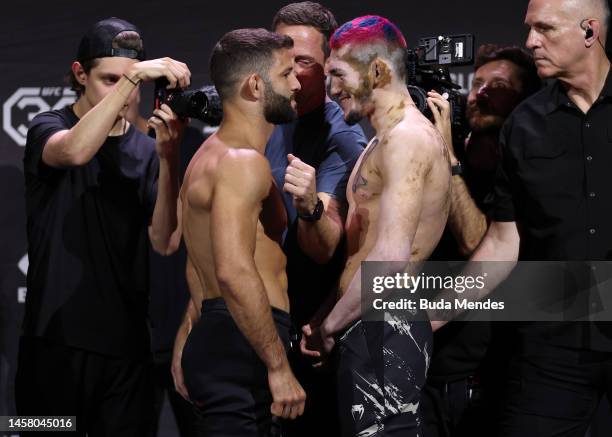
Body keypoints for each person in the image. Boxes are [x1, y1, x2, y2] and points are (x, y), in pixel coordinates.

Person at [16, 17, 190, 436]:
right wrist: (134, 79)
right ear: (80, 74)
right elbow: (74, 153)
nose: (125, 93)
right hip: (52, 343)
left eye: (130, 81)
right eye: (110, 79)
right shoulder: (48, 126)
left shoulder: (148, 151)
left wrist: (168, 160)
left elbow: (166, 241)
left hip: (127, 351)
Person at [447, 0, 612, 435]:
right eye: (529, 28)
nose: (530, 41)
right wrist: (431, 312)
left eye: (545, 29)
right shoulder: (523, 125)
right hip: (552, 346)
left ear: (590, 32)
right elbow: (504, 242)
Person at [302, 15, 452, 436]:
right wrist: (327, 315)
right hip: (370, 325)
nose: (331, 89)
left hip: (388, 329)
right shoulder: (381, 139)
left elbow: (390, 258)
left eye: (337, 74)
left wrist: (330, 328)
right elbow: (364, 249)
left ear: (379, 71)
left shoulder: (407, 138)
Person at [177, 28, 306, 436]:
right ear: (255, 85)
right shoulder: (241, 163)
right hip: (243, 344)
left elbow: (199, 267)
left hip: (222, 336)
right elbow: (232, 269)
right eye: (287, 74)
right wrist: (278, 367)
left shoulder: (207, 157)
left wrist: (190, 335)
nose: (297, 84)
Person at [422, 45, 540, 437]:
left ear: (524, 100)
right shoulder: (440, 152)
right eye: (476, 84)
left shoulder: (525, 170)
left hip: (485, 377)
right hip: (423, 370)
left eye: (498, 85)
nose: (480, 93)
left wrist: (448, 160)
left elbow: (478, 243)